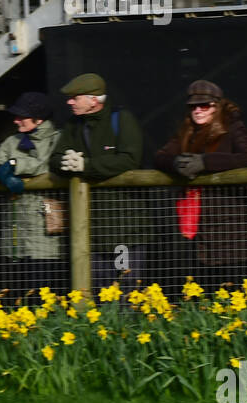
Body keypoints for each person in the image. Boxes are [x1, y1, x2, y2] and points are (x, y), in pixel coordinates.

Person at [152, 79, 247, 294]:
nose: (198, 110)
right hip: (200, 227)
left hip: (233, 225)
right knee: (204, 289)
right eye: (193, 106)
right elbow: (160, 156)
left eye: (204, 105)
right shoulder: (186, 130)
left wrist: (205, 162)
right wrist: (175, 163)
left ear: (217, 106)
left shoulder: (233, 127)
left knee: (234, 289)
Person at [48, 72, 151, 289]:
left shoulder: (122, 120)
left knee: (127, 290)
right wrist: (66, 164)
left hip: (126, 231)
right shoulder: (73, 125)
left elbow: (130, 159)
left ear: (93, 100)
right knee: (97, 292)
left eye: (75, 97)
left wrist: (87, 166)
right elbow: (55, 159)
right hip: (90, 233)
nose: (69, 101)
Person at [0, 92, 65, 299]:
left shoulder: (58, 138)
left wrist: (14, 165)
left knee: (41, 299)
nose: (16, 120)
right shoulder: (12, 141)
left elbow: (48, 165)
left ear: (39, 118)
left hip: (45, 238)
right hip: (14, 239)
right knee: (13, 300)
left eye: (21, 116)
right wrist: (1, 174)